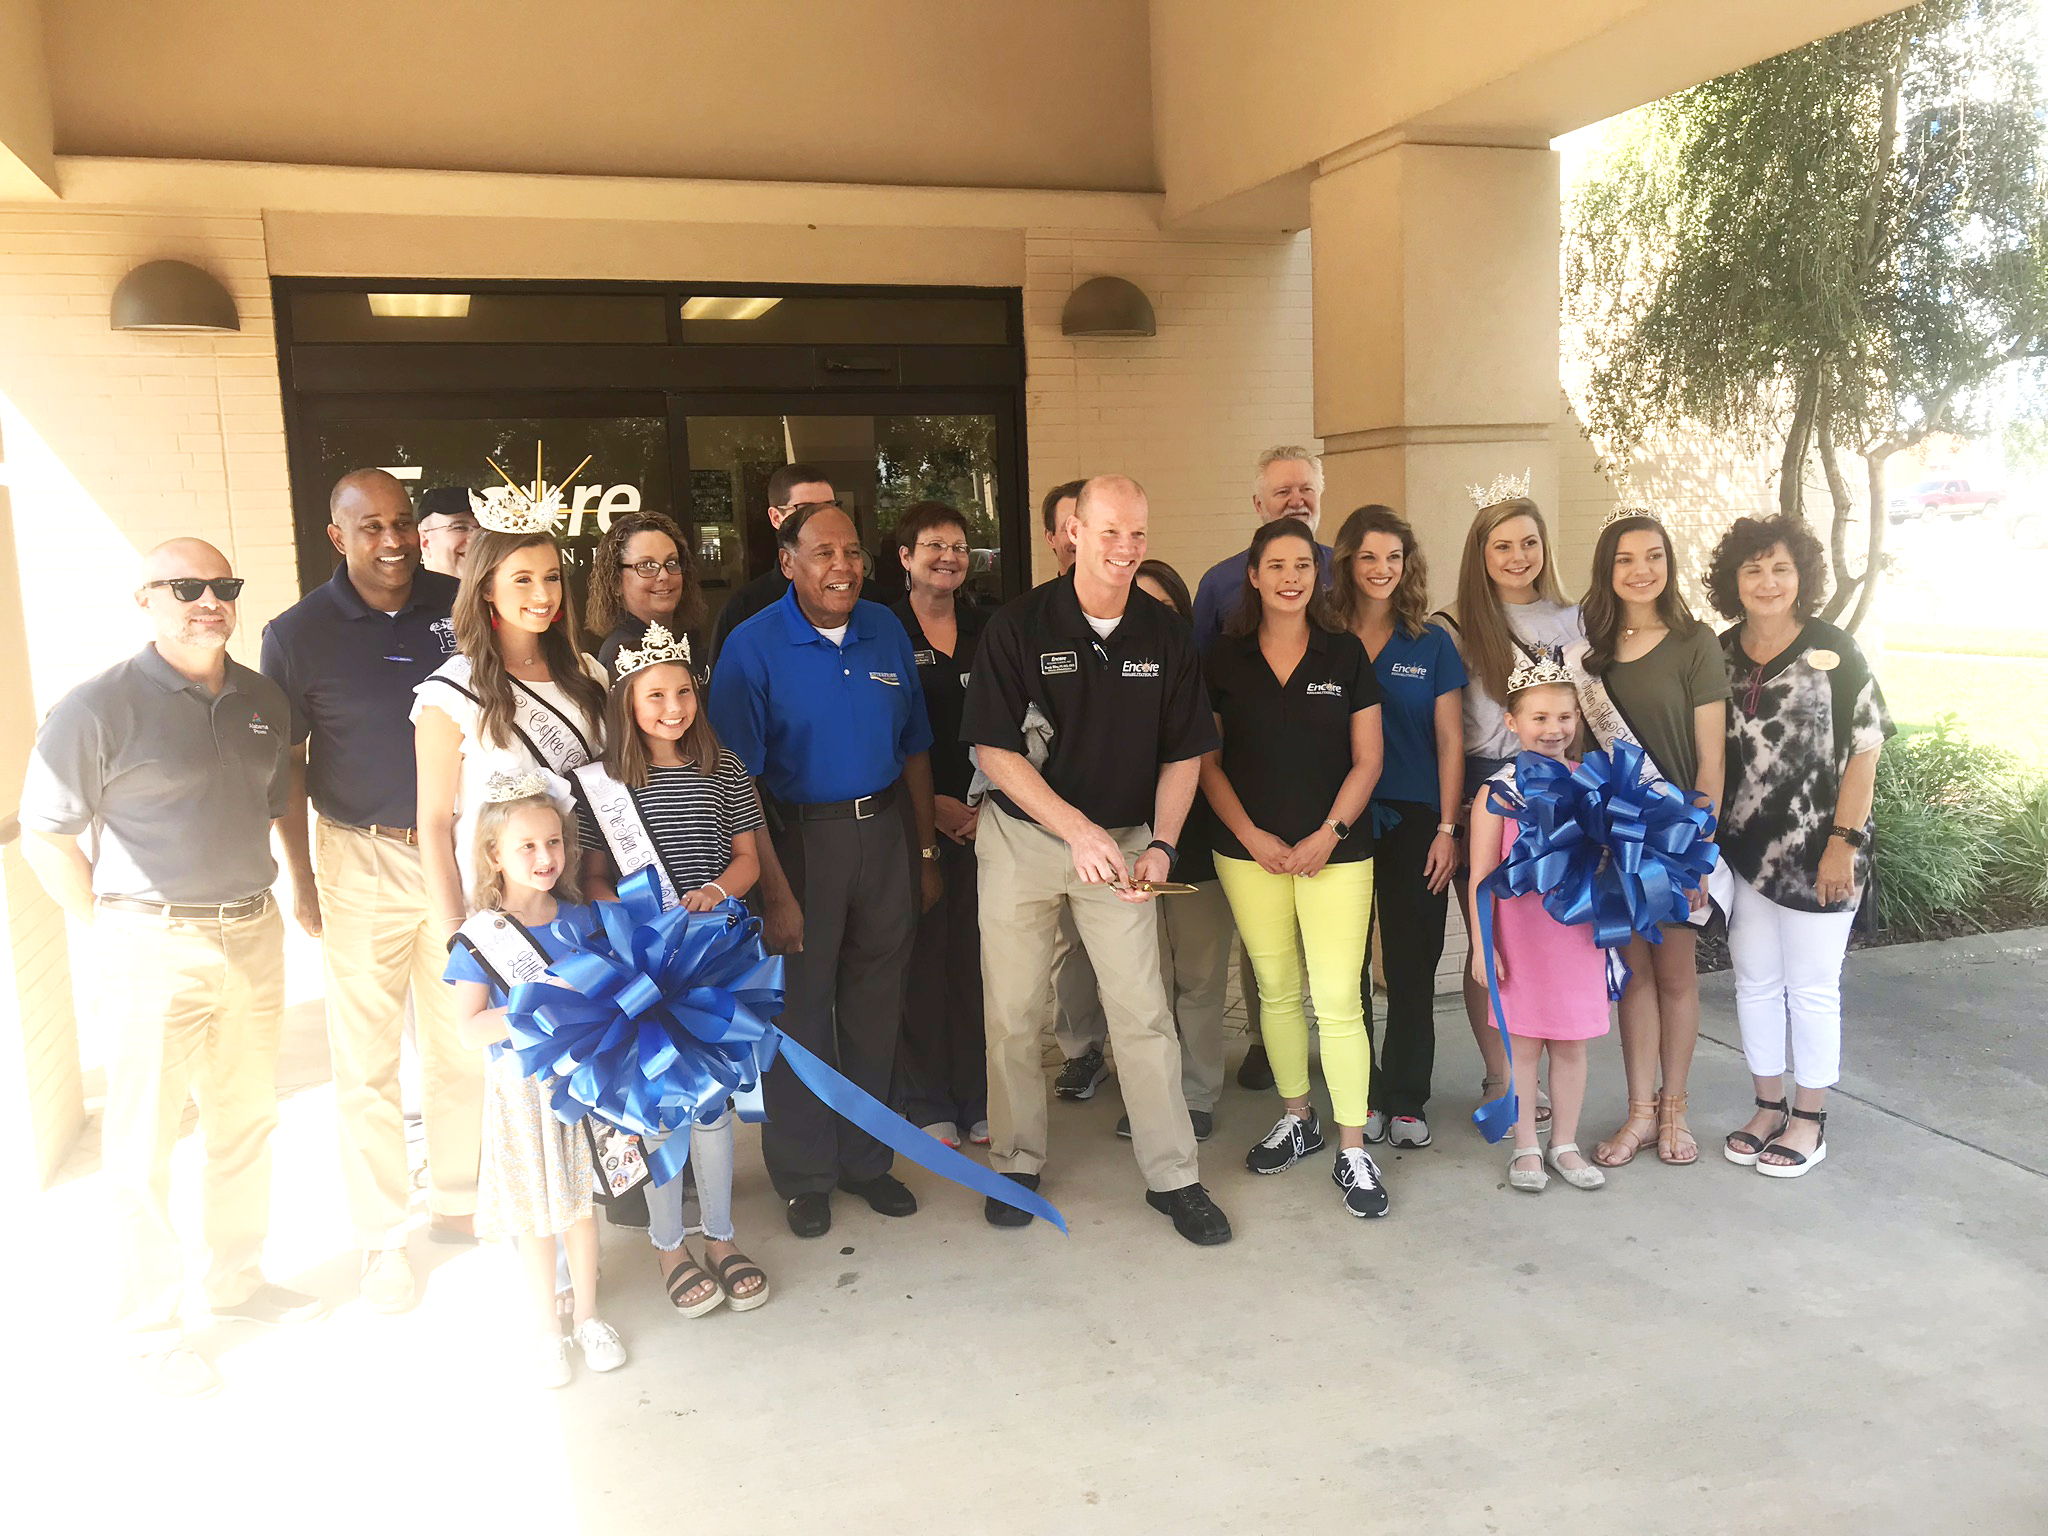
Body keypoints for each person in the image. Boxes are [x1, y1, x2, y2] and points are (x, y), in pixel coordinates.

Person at [19, 539, 321, 1398]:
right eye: (185, 587)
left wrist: (299, 888)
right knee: (143, 1147)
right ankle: (149, 1328)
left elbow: (278, 802)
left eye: (223, 585)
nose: (208, 600)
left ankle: (237, 1281)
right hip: (151, 942)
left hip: (251, 935)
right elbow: (46, 836)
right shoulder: (97, 707)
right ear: (145, 600)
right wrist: (109, 927)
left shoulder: (263, 700)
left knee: (245, 1122)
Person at [964, 474, 1232, 1246]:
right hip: (1024, 838)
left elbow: (1185, 753)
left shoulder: (1164, 635)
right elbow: (994, 748)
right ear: (1073, 532)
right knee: (1014, 1013)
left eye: (1138, 534)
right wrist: (1073, 828)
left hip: (1119, 844)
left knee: (1143, 1013)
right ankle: (1016, 1162)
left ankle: (1174, 1175)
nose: (1125, 549)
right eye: (1110, 531)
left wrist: (1161, 843)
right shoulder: (1018, 626)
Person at [261, 468, 478, 1315]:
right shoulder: (297, 633)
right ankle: (381, 1238)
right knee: (366, 1062)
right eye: (370, 528)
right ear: (337, 537)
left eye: (401, 524)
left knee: (462, 1041)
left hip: (457, 854)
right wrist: (303, 876)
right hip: (358, 856)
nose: (390, 542)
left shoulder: (459, 607)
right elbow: (288, 764)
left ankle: (458, 1203)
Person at [708, 502, 940, 1239]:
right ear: (787, 562)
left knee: (876, 1007)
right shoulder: (753, 646)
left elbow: (915, 747)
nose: (842, 565)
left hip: (884, 838)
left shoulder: (885, 628)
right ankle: (805, 1174)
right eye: (822, 552)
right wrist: (773, 890)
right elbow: (735, 782)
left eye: (852, 551)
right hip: (797, 844)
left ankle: (868, 1162)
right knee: (802, 1015)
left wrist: (926, 851)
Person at [575, 625, 770, 1310]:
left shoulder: (727, 768)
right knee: (660, 1110)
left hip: (713, 958)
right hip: (644, 967)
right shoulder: (607, 787)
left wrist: (716, 893)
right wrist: (634, 921)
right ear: (628, 701)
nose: (672, 707)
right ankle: (667, 1247)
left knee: (714, 1107)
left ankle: (719, 1235)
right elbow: (593, 878)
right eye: (654, 694)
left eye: (683, 691)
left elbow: (748, 859)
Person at [1200, 521, 1389, 1217]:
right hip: (1249, 855)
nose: (1289, 577)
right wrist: (1249, 834)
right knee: (1277, 991)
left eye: (1301, 566)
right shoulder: (1224, 661)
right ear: (1252, 574)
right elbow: (1207, 763)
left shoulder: (1344, 656)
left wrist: (1328, 833)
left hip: (1338, 854)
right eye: (1274, 565)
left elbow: (1368, 758)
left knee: (1338, 1000)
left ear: (1318, 576)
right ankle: (1297, 1118)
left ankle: (1352, 1149)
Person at [1708, 515, 1892, 1178]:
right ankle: (1766, 1104)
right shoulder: (1720, 655)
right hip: (1743, 853)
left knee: (1811, 988)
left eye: (1780, 568)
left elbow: (1864, 753)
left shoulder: (1836, 652)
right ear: (1734, 579)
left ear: (1801, 576)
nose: (1767, 581)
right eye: (1753, 569)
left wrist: (1843, 843)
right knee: (1755, 983)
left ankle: (1809, 1118)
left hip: (1820, 851)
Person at [443, 777, 627, 1387]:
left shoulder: (585, 922)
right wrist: (540, 999)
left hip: (583, 1082)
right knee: (537, 1211)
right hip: (522, 1092)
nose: (546, 858)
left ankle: (590, 1317)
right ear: (493, 855)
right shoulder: (480, 938)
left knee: (579, 1207)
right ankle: (547, 1327)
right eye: (527, 847)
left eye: (555, 842)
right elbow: (469, 1030)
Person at [1571, 514, 1729, 1169]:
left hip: (1676, 839)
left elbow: (1712, 763)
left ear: (1669, 562)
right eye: (1626, 559)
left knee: (1675, 975)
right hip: (1615, 842)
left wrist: (1699, 848)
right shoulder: (1591, 655)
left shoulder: (1696, 643)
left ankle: (1676, 1111)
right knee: (1633, 975)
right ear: (1608, 571)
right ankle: (1639, 1113)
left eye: (1654, 556)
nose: (1641, 569)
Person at [1439, 483, 1583, 1126]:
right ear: (1481, 553)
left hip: (1559, 788)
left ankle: (1557, 1067)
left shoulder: (1573, 619)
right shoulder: (1456, 625)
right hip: (1489, 790)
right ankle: (1502, 1072)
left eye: (1528, 542)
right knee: (1489, 939)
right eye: (1502, 545)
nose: (1517, 555)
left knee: (1553, 937)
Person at [412, 485, 611, 940]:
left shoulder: (587, 673)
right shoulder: (451, 692)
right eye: (522, 579)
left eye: (553, 576)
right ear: (485, 587)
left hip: (592, 893)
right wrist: (454, 931)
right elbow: (435, 822)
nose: (543, 593)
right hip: (501, 910)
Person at [1330, 504, 1466, 1149]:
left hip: (1415, 822)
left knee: (1414, 964)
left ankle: (1407, 1096)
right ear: (1348, 564)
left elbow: (1448, 740)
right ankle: (1364, 1094)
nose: (1382, 569)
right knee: (1346, 968)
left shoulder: (1431, 642)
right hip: (1341, 823)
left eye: (1393, 557)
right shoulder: (1324, 635)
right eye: (1369, 557)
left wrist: (1447, 827)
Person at [1466, 660, 1609, 1194]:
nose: (1554, 729)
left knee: (1571, 1044)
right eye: (1540, 717)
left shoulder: (1590, 784)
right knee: (1522, 1046)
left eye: (1566, 717)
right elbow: (1480, 876)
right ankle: (1526, 1143)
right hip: (1520, 941)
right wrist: (1483, 946)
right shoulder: (1497, 793)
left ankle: (1565, 1143)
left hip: (1576, 937)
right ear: (1512, 721)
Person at [890, 501, 991, 1147]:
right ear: (904, 558)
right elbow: (886, 736)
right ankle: (927, 1098)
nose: (948, 556)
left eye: (958, 545)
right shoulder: (886, 631)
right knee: (925, 963)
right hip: (913, 825)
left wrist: (990, 806)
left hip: (991, 822)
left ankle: (979, 1094)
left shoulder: (992, 628)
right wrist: (935, 810)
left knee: (981, 965)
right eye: (933, 545)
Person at [1122, 558, 1230, 1143]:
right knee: (1145, 984)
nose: (1149, 618)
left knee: (1199, 976)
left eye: (1162, 607)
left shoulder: (1204, 672)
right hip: (1124, 844)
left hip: (1196, 846)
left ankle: (1197, 1092)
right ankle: (1151, 1096)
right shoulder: (1110, 670)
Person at [1036, 477, 1118, 1103]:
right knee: (1068, 953)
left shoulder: (1146, 618)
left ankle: (1127, 1061)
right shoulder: (1028, 622)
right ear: (1061, 537)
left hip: (1126, 828)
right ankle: (1079, 1050)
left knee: (1135, 968)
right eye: (1072, 530)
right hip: (1041, 829)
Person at [1190, 446, 1331, 656]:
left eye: (1306, 489)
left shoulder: (1344, 568)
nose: (1296, 500)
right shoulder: (1218, 583)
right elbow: (1199, 667)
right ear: (1258, 504)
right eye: (1283, 492)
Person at [706, 463, 838, 668]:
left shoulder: (869, 600)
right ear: (776, 517)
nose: (822, 519)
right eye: (806, 509)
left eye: (829, 507)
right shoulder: (744, 609)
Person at [583, 508, 709, 676]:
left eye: (671, 562)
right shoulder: (623, 654)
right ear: (615, 581)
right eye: (646, 565)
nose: (664, 575)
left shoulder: (684, 639)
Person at [416, 485, 480, 578]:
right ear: (425, 542)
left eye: (485, 531)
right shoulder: (402, 591)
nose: (476, 539)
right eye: (460, 528)